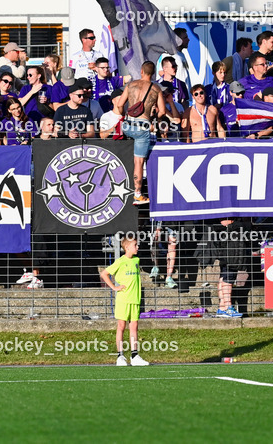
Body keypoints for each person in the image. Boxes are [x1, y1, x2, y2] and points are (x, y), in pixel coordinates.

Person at [111, 62, 166, 203]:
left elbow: (119, 104)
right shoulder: (156, 89)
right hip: (142, 128)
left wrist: (125, 117)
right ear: (153, 74)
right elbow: (163, 112)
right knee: (139, 162)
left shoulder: (131, 85)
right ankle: (137, 194)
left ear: (141, 71)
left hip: (127, 126)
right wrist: (153, 116)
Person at [100, 235, 149, 366]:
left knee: (134, 327)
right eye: (135, 245)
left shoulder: (136, 260)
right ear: (127, 247)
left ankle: (135, 355)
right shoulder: (120, 261)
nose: (137, 247)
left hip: (135, 299)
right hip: (124, 299)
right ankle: (120, 356)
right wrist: (114, 287)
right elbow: (104, 274)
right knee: (121, 326)